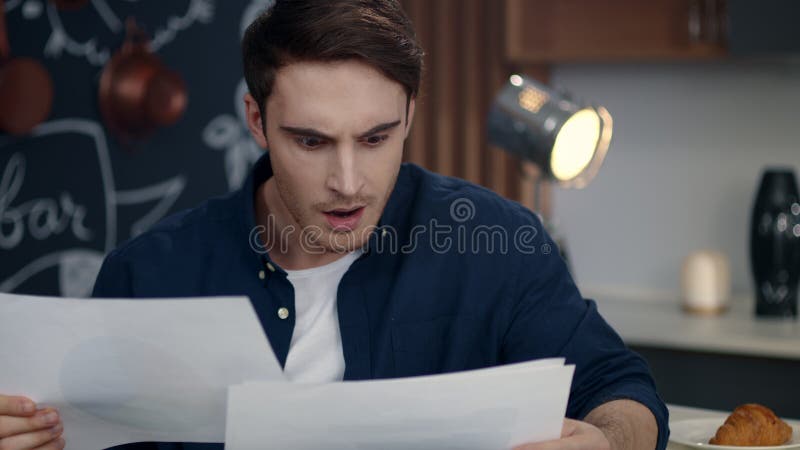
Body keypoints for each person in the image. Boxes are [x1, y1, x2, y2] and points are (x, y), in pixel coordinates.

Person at [0, 1, 669, 449]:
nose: (348, 182)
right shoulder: (148, 274)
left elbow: (625, 392)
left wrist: (608, 441)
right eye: (312, 142)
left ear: (409, 115)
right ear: (257, 121)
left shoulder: (498, 245)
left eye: (375, 138)